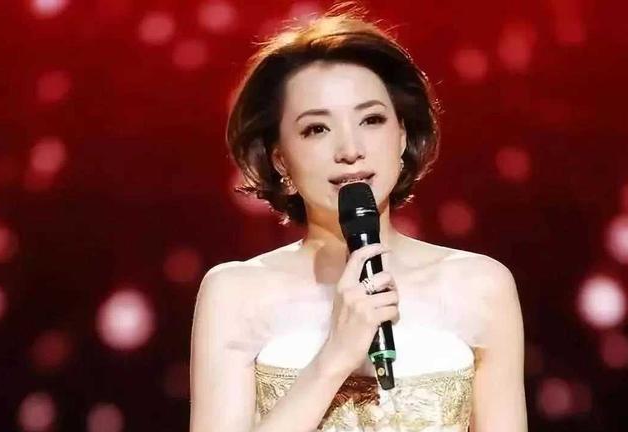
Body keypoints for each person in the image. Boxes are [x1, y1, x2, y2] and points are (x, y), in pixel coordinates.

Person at [190, 5, 527, 432]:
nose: (350, 150)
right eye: (317, 128)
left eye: (371, 120)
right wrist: (334, 357)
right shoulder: (234, 292)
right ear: (280, 158)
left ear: (402, 136)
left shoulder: (482, 285)